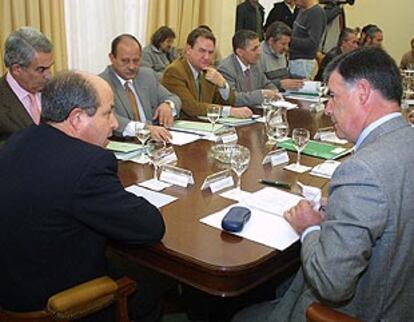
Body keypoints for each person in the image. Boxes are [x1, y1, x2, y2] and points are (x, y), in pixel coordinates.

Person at [232, 47, 414, 322]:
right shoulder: (405, 139)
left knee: (240, 315)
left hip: (366, 310)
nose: (327, 108)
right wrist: (342, 208)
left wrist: (310, 228)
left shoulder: (361, 171)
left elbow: (332, 285)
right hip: (402, 296)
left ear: (363, 92)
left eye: (333, 96)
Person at [0, 71, 166, 322]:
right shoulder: (88, 165)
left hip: (11, 284)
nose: (114, 124)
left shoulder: (19, 140)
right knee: (150, 286)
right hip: (53, 303)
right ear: (77, 118)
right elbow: (150, 227)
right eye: (107, 113)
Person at [99, 34, 181, 140]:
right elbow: (108, 118)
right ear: (112, 58)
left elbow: (174, 98)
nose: (132, 66)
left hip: (154, 144)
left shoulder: (146, 76)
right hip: (125, 145)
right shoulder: (102, 84)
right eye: (125, 61)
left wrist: (168, 105)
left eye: (136, 60)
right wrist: (144, 129)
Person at [161, 27, 252, 119]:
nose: (207, 57)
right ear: (188, 49)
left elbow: (229, 102)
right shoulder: (174, 71)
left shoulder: (208, 71)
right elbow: (192, 108)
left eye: (211, 52)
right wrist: (230, 111)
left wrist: (223, 85)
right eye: (202, 51)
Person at [0, 26, 53, 146]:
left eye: (49, 67)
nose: (48, 75)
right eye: (41, 69)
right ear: (17, 69)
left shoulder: (56, 90)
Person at [218, 30, 279, 108]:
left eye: (259, 47)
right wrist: (261, 95)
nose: (259, 52)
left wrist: (274, 91)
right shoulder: (226, 69)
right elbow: (233, 98)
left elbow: (266, 83)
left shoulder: (255, 63)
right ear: (240, 52)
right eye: (254, 49)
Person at [258, 21, 304, 91]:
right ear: (271, 41)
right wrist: (279, 84)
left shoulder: (280, 52)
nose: (286, 48)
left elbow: (285, 75)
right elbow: (257, 84)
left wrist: (300, 79)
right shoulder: (257, 55)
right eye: (283, 44)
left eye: (288, 44)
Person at [289, 0, 327, 79]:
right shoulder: (302, 10)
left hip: (303, 64)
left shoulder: (316, 13)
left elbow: (313, 43)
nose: (293, 3)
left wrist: (289, 41)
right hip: (296, 61)